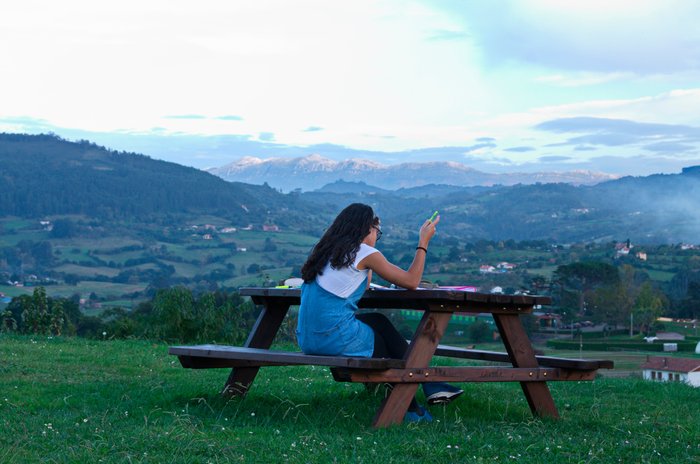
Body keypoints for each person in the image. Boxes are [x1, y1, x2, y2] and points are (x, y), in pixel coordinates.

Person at [296, 203, 463, 423]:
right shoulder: (363, 251)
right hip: (332, 338)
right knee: (384, 350)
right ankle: (410, 408)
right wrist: (423, 243)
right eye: (377, 232)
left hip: (307, 338)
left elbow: (362, 287)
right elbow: (412, 281)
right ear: (366, 229)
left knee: (378, 321)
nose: (377, 237)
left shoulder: (327, 251)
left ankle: (428, 385)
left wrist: (369, 264)